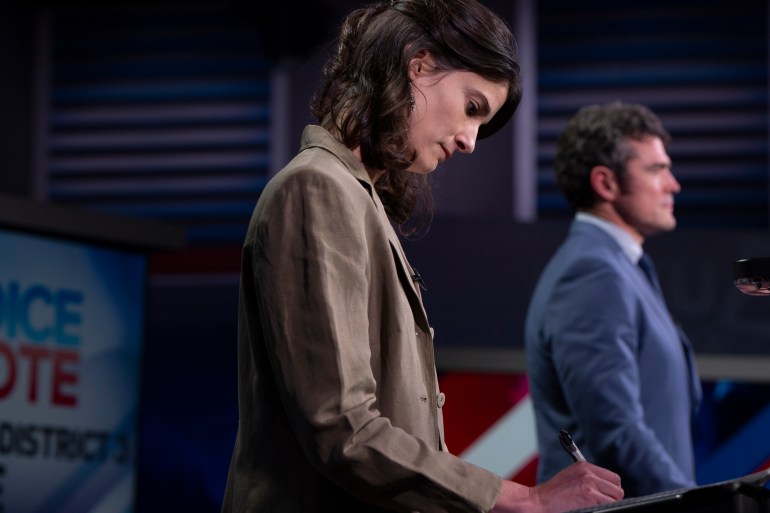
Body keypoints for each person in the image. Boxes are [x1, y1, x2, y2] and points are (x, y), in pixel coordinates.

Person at [220, 1, 624, 512]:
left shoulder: (352, 198)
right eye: (473, 107)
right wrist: (523, 499)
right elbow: (342, 429)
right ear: (420, 65)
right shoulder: (317, 189)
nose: (471, 141)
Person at [524, 101, 702, 498]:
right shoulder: (593, 272)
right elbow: (616, 433)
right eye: (657, 170)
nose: (673, 184)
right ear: (605, 183)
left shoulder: (621, 265)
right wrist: (695, 504)